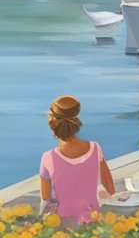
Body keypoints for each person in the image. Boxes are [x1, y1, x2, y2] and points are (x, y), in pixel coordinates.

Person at [39, 95, 115, 227]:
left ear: (52, 123)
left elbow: (46, 200)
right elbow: (110, 187)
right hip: (92, 224)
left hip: (63, 228)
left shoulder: (48, 157)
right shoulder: (95, 148)